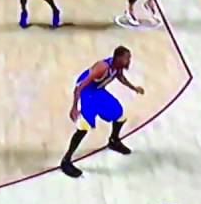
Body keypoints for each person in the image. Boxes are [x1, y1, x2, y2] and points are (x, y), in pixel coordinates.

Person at [60, 46, 144, 179]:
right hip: (86, 91)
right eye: (126, 58)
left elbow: (120, 77)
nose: (129, 61)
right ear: (118, 58)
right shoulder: (102, 67)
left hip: (97, 91)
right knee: (84, 126)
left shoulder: (117, 67)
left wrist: (134, 88)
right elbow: (79, 87)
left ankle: (114, 141)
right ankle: (66, 161)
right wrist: (74, 107)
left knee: (120, 115)